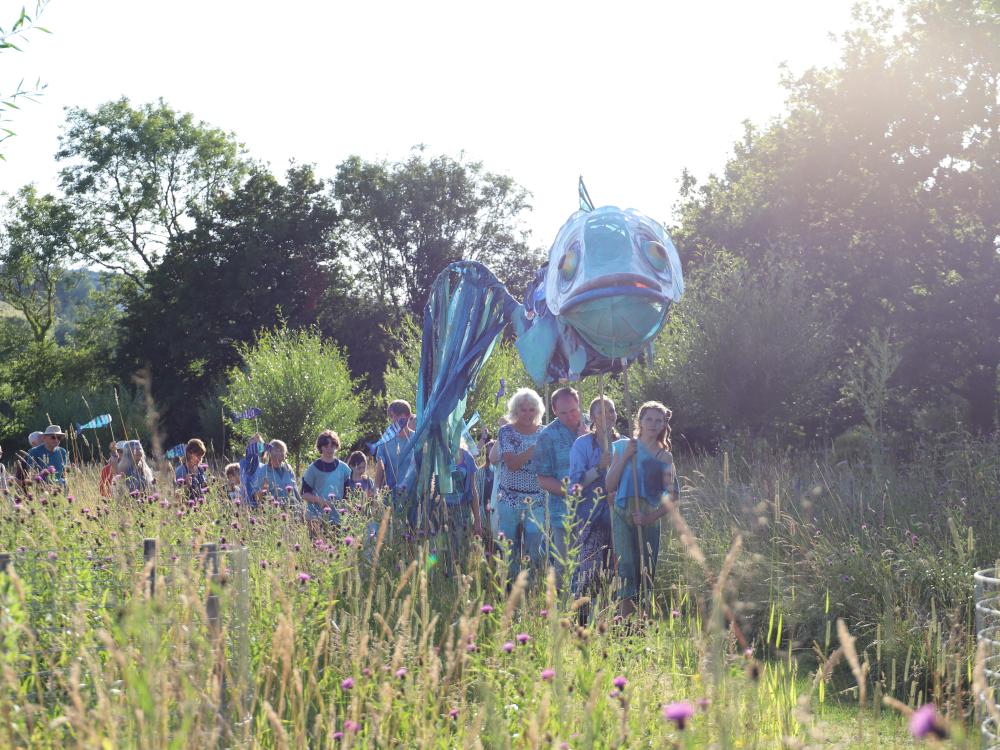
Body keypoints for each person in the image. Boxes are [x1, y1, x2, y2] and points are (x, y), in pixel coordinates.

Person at [605, 401, 679, 617]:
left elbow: (672, 496)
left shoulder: (664, 457)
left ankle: (641, 623)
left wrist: (649, 517)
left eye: (659, 420)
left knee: (645, 570)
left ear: (664, 424)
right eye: (649, 419)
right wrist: (626, 456)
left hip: (647, 516)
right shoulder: (622, 447)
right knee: (626, 567)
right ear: (640, 421)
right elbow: (609, 485)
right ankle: (624, 623)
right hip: (622, 513)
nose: (653, 424)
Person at [568, 396, 619, 614]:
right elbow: (574, 484)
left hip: (617, 516)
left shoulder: (623, 443)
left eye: (611, 410)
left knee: (615, 571)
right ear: (593, 417)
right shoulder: (582, 444)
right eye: (601, 412)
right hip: (590, 517)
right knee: (589, 572)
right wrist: (599, 468)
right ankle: (580, 620)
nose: (607, 415)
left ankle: (614, 619)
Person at [491, 388, 546, 584]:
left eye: (532, 409)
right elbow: (512, 464)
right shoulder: (506, 432)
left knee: (535, 545)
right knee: (509, 547)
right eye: (523, 409)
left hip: (537, 500)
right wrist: (532, 450)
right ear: (516, 410)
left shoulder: (544, 432)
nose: (528, 413)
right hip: (509, 498)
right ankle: (510, 586)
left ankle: (531, 586)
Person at [535, 387, 587, 584]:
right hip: (563, 513)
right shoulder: (547, 436)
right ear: (554, 410)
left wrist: (589, 437)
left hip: (595, 510)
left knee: (592, 565)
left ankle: (590, 609)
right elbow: (543, 478)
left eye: (573, 410)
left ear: (579, 404)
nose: (570, 416)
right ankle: (563, 610)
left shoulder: (591, 425)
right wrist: (571, 492)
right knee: (565, 569)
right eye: (563, 412)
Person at [440, 443, 483, 575]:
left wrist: (477, 520)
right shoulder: (436, 455)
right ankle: (443, 584)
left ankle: (461, 581)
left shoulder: (467, 457)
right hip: (441, 512)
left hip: (463, 512)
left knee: (462, 550)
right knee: (443, 550)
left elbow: (473, 491)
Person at [301, 430, 351, 529]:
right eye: (326, 446)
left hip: (337, 518)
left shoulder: (344, 469)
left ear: (336, 447)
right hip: (316, 517)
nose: (329, 449)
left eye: (332, 446)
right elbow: (304, 493)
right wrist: (320, 501)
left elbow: (348, 495)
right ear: (320, 447)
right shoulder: (313, 468)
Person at [374, 400, 415, 508]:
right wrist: (376, 490)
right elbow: (380, 466)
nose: (394, 419)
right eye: (392, 416)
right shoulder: (386, 441)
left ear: (408, 416)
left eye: (398, 415)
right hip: (391, 497)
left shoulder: (416, 439)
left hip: (413, 497)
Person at [244, 435, 296, 507]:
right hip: (274, 511)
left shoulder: (288, 468)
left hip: (291, 509)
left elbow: (295, 491)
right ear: (270, 453)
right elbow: (255, 497)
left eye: (282, 450)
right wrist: (263, 489)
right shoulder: (263, 471)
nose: (281, 452)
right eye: (278, 450)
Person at [474, 439, 497, 539]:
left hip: (496, 510)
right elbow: (477, 494)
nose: (490, 457)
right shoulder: (479, 472)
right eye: (488, 454)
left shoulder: (500, 471)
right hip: (483, 510)